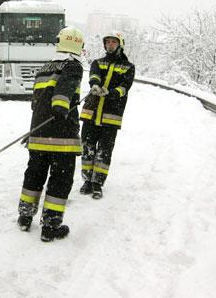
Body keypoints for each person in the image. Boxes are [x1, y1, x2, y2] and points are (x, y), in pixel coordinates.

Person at [17, 26, 84, 242]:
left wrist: (37, 125)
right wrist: (61, 107)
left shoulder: (45, 67)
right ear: (78, 46)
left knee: (34, 174)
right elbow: (63, 93)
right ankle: (50, 226)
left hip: (38, 133)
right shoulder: (73, 66)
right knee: (60, 179)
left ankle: (25, 217)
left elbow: (35, 101)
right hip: (61, 137)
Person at [79, 31, 135, 199]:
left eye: (113, 42)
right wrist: (96, 85)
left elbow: (125, 87)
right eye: (108, 42)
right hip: (91, 113)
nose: (110, 45)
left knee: (104, 150)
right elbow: (94, 75)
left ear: (120, 44)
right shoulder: (98, 62)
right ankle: (87, 180)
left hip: (111, 115)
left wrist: (110, 93)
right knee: (87, 148)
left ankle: (98, 183)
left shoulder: (128, 67)